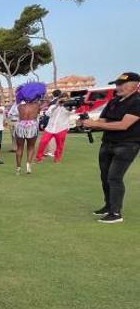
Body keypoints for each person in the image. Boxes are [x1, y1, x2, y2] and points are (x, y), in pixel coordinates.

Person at [79, 71, 140, 224]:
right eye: (117, 84)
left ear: (134, 85)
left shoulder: (137, 101)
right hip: (108, 143)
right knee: (105, 176)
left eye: (122, 84)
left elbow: (124, 125)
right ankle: (108, 206)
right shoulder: (113, 101)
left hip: (127, 144)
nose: (118, 87)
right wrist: (89, 124)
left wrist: (96, 124)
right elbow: (102, 121)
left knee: (114, 177)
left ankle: (116, 213)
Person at [13, 82, 47, 175]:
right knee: (31, 147)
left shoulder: (20, 106)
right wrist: (41, 96)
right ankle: (28, 166)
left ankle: (18, 168)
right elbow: (46, 102)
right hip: (32, 126)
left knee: (19, 148)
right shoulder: (36, 105)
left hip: (20, 126)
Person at [36, 90, 70, 163]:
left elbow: (71, 112)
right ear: (59, 99)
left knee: (60, 145)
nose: (63, 101)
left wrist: (66, 105)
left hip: (62, 128)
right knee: (43, 142)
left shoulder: (68, 107)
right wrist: (57, 105)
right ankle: (39, 158)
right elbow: (48, 114)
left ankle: (57, 159)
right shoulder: (53, 106)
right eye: (62, 99)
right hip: (50, 128)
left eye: (65, 99)